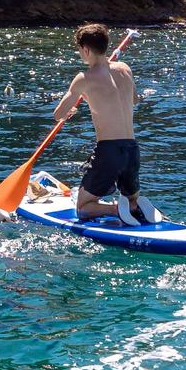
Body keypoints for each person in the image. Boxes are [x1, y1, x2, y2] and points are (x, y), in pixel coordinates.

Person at [52, 23, 155, 224]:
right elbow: (134, 99)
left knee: (83, 207)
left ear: (86, 49)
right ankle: (134, 205)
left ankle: (117, 209)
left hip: (109, 150)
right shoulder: (125, 69)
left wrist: (71, 109)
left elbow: (59, 114)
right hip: (132, 149)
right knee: (131, 195)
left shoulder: (84, 78)